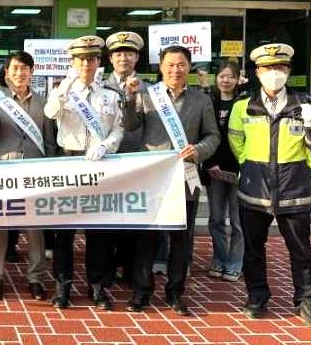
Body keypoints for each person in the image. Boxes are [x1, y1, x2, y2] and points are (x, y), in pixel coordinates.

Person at [228, 43, 311, 328]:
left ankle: (306, 300)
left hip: (293, 189)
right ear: (258, 72)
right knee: (253, 248)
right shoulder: (243, 106)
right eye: (268, 68)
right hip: (254, 189)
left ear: (289, 71)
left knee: (301, 249)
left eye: (280, 67)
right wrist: (249, 164)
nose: (274, 73)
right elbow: (236, 140)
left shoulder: (306, 104)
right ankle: (257, 296)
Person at [124, 45, 220, 315]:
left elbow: (213, 136)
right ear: (161, 67)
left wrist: (198, 150)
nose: (175, 70)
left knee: (181, 240)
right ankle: (142, 292)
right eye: (170, 65)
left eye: (181, 64)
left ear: (189, 67)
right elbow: (130, 125)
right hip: (153, 179)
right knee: (147, 238)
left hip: (185, 178)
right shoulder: (147, 94)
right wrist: (129, 98)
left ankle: (176, 292)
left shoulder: (201, 100)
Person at [44, 36, 124, 309]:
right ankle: (62, 287)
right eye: (80, 60)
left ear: (98, 61)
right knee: (63, 232)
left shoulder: (110, 95)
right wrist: (66, 84)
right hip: (69, 162)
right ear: (72, 62)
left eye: (91, 59)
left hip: (100, 164)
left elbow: (118, 128)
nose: (86, 64)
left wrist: (105, 146)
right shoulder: (63, 89)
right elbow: (50, 112)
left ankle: (97, 287)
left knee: (97, 231)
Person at [0, 51, 57, 301]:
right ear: (6, 73)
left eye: (25, 68)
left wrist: (50, 169)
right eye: (15, 68)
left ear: (32, 72)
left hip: (34, 171)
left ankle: (36, 278)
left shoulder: (44, 102)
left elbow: (49, 140)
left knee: (35, 227)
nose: (20, 73)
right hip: (4, 169)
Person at [102, 31, 146, 287]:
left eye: (129, 53)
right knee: (107, 219)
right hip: (107, 161)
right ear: (110, 58)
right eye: (118, 54)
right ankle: (106, 270)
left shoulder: (149, 89)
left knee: (132, 219)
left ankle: (129, 268)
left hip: (135, 160)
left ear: (137, 57)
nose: (124, 58)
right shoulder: (99, 86)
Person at [203, 61, 244, 283]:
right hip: (215, 170)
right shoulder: (209, 102)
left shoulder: (245, 103)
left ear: (238, 80)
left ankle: (235, 263)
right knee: (216, 219)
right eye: (222, 76)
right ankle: (219, 259)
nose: (226, 80)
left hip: (239, 171)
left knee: (238, 222)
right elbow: (204, 135)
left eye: (231, 76)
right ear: (216, 78)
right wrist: (210, 162)